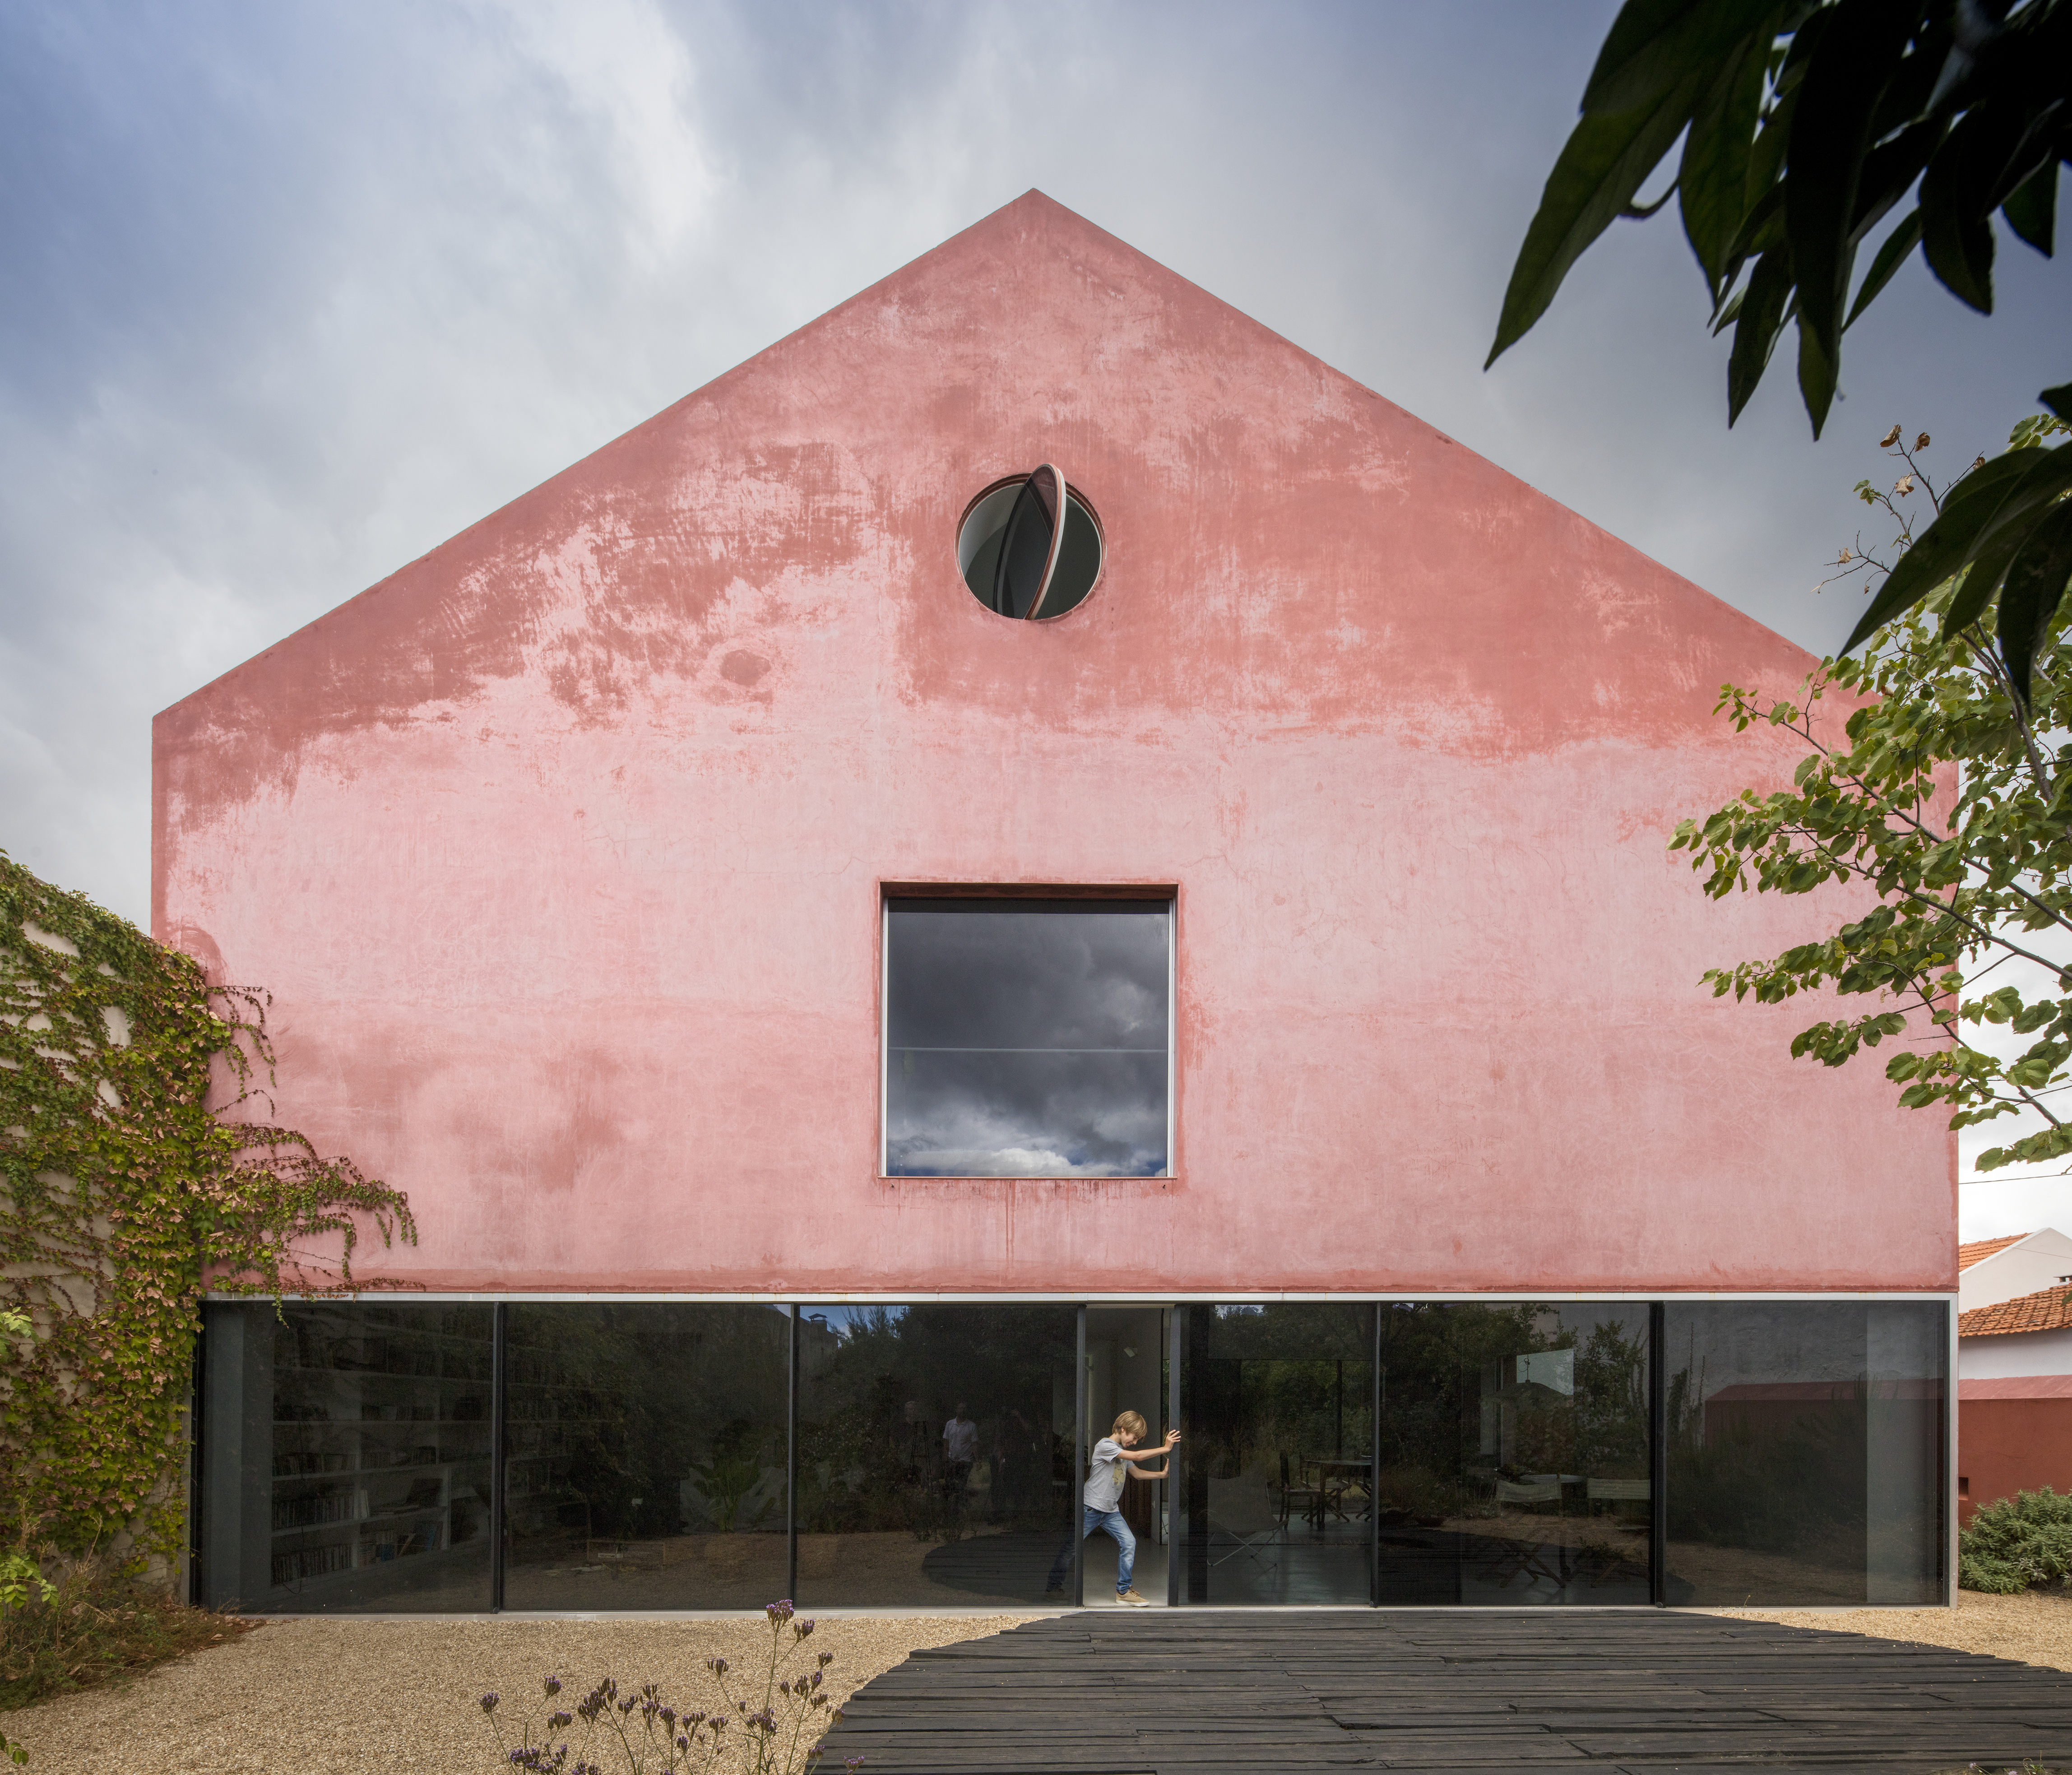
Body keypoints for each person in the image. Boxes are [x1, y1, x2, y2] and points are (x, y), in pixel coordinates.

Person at [1046, 1410, 1177, 1606]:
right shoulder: (1105, 1445)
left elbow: (1138, 1473)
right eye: (1134, 1438)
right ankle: (1052, 1587)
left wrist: (1162, 1475)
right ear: (1123, 1429)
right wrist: (1165, 1449)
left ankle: (1123, 1591)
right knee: (1071, 1549)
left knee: (1129, 1543)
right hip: (1091, 1508)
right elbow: (1139, 1456)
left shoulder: (1123, 1453)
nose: (1135, 1442)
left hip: (1110, 1511)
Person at [941, 1402, 978, 1498]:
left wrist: (978, 1460)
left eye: (964, 1408)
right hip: (952, 1459)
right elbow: (946, 1442)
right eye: (960, 1408)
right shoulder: (950, 1424)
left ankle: (960, 1507)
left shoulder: (972, 1426)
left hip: (965, 1461)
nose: (962, 1410)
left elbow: (974, 1444)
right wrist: (945, 1458)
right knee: (949, 1485)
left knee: (961, 1486)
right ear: (956, 1410)